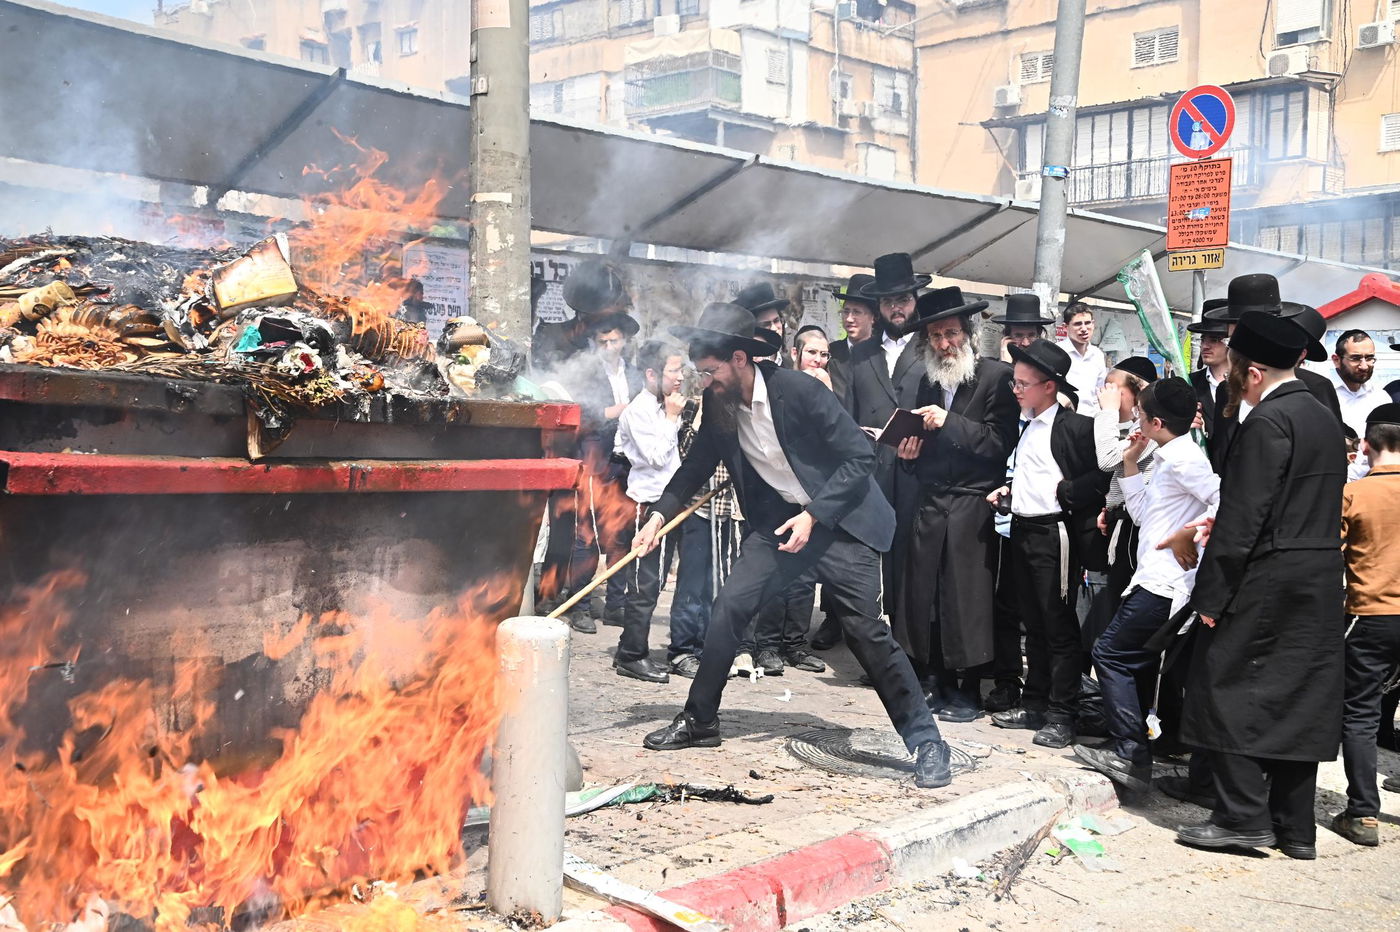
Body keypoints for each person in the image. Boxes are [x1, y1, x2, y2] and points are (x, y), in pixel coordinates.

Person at [632, 303, 954, 789]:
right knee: (729, 609)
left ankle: (928, 742)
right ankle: (700, 720)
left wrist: (815, 514)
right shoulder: (719, 407)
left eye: (711, 371)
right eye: (700, 372)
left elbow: (859, 456)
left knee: (865, 631)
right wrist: (657, 515)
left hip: (842, 521)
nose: (704, 382)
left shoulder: (798, 390)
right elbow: (694, 468)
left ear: (740, 359)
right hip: (780, 522)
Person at [1176, 310, 1346, 859]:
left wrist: (1211, 598)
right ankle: (1295, 829)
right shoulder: (1320, 416)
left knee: (1226, 687)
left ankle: (1242, 817)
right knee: (1299, 699)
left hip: (1267, 575)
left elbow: (1245, 517)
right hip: (1317, 575)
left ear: (1251, 373)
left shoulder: (1267, 423)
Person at [1073, 377, 1219, 794]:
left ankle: (1130, 752)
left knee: (1109, 654)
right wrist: (1132, 459)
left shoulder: (1185, 459)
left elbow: (1226, 499)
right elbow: (1141, 515)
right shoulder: (1165, 454)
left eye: (1138, 414)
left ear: (1156, 421)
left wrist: (1191, 534)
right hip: (1152, 577)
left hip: (1167, 582)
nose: (1134, 419)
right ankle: (1134, 745)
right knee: (1128, 659)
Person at [891, 287, 1018, 722]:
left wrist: (951, 423)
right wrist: (908, 455)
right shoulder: (926, 379)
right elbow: (920, 443)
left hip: (972, 505)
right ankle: (933, 679)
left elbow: (1000, 442)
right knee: (925, 597)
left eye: (951, 335)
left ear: (969, 333)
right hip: (930, 502)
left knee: (968, 599)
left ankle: (969, 688)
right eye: (935, 337)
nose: (944, 345)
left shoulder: (996, 377)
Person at [987, 340, 1108, 749]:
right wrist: (1008, 492)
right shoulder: (1027, 425)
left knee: (1057, 625)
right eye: (1014, 382)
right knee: (1032, 623)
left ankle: (1063, 712)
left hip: (1054, 536)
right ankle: (1035, 701)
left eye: (1023, 383)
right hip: (1021, 528)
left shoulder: (1075, 427)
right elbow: (1033, 474)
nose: (1016, 390)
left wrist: (1068, 492)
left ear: (1049, 386)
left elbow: (1105, 474)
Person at [982, 293, 1062, 711]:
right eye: (1016, 337)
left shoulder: (1058, 402)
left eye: (1030, 336)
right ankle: (1006, 677)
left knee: (1039, 610)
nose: (1023, 343)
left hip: (1038, 519)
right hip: (999, 511)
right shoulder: (998, 386)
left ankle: (1042, 690)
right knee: (1002, 602)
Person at [848, 253, 931, 619]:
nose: (896, 308)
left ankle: (910, 645)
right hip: (873, 474)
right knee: (870, 561)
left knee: (915, 561)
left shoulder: (933, 348)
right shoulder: (860, 355)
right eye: (887, 301)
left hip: (921, 473)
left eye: (903, 300)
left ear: (915, 301)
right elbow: (847, 415)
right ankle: (874, 643)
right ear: (878, 306)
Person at [1331, 403, 1400, 847]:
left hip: (1371, 615)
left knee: (1360, 714)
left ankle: (1363, 815)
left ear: (1367, 447)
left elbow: (1326, 555)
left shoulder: (1354, 495)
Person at [610, 342, 689, 684]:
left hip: (671, 502)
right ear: (652, 373)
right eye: (673, 370)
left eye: (681, 370)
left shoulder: (665, 406)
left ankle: (629, 645)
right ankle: (631, 655)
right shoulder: (638, 411)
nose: (680, 378)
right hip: (647, 506)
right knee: (645, 583)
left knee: (655, 582)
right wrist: (673, 418)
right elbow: (655, 458)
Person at [567, 311, 644, 634]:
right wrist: (616, 411)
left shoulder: (638, 375)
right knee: (585, 535)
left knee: (620, 535)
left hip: (626, 463)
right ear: (594, 343)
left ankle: (615, 605)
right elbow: (578, 414)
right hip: (593, 457)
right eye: (603, 341)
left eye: (614, 340)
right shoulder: (585, 374)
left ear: (625, 342)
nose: (610, 346)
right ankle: (580, 606)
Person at [1085, 356, 1160, 649]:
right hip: (1121, 522)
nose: (1108, 396)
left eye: (1115, 389)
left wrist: (1106, 413)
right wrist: (1111, 505)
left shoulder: (1151, 429)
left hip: (1137, 529)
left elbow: (1107, 460)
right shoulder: (1134, 427)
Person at [1186, 300, 1230, 438]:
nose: (1205, 346)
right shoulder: (1189, 384)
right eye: (1203, 339)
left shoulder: (1249, 384)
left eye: (1215, 339)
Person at [1332, 329, 1386, 439]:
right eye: (1356, 358)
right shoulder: (1321, 395)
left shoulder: (1381, 397)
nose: (1364, 366)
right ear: (1336, 360)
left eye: (1369, 358)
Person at [1057, 303, 1108, 415]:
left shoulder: (1097, 355)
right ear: (1065, 327)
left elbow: (1099, 392)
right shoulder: (1057, 353)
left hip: (1091, 421)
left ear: (1093, 324)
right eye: (1078, 324)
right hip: (1064, 420)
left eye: (1088, 323)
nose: (1084, 329)